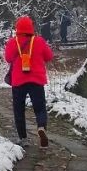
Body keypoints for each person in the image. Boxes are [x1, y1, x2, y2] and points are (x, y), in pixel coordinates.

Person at [5, 15, 54, 147]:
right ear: (31, 28)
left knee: (19, 109)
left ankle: (23, 137)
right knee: (40, 107)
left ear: (17, 28)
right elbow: (49, 56)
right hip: (36, 80)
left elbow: (8, 58)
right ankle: (41, 127)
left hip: (18, 81)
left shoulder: (12, 42)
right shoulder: (39, 41)